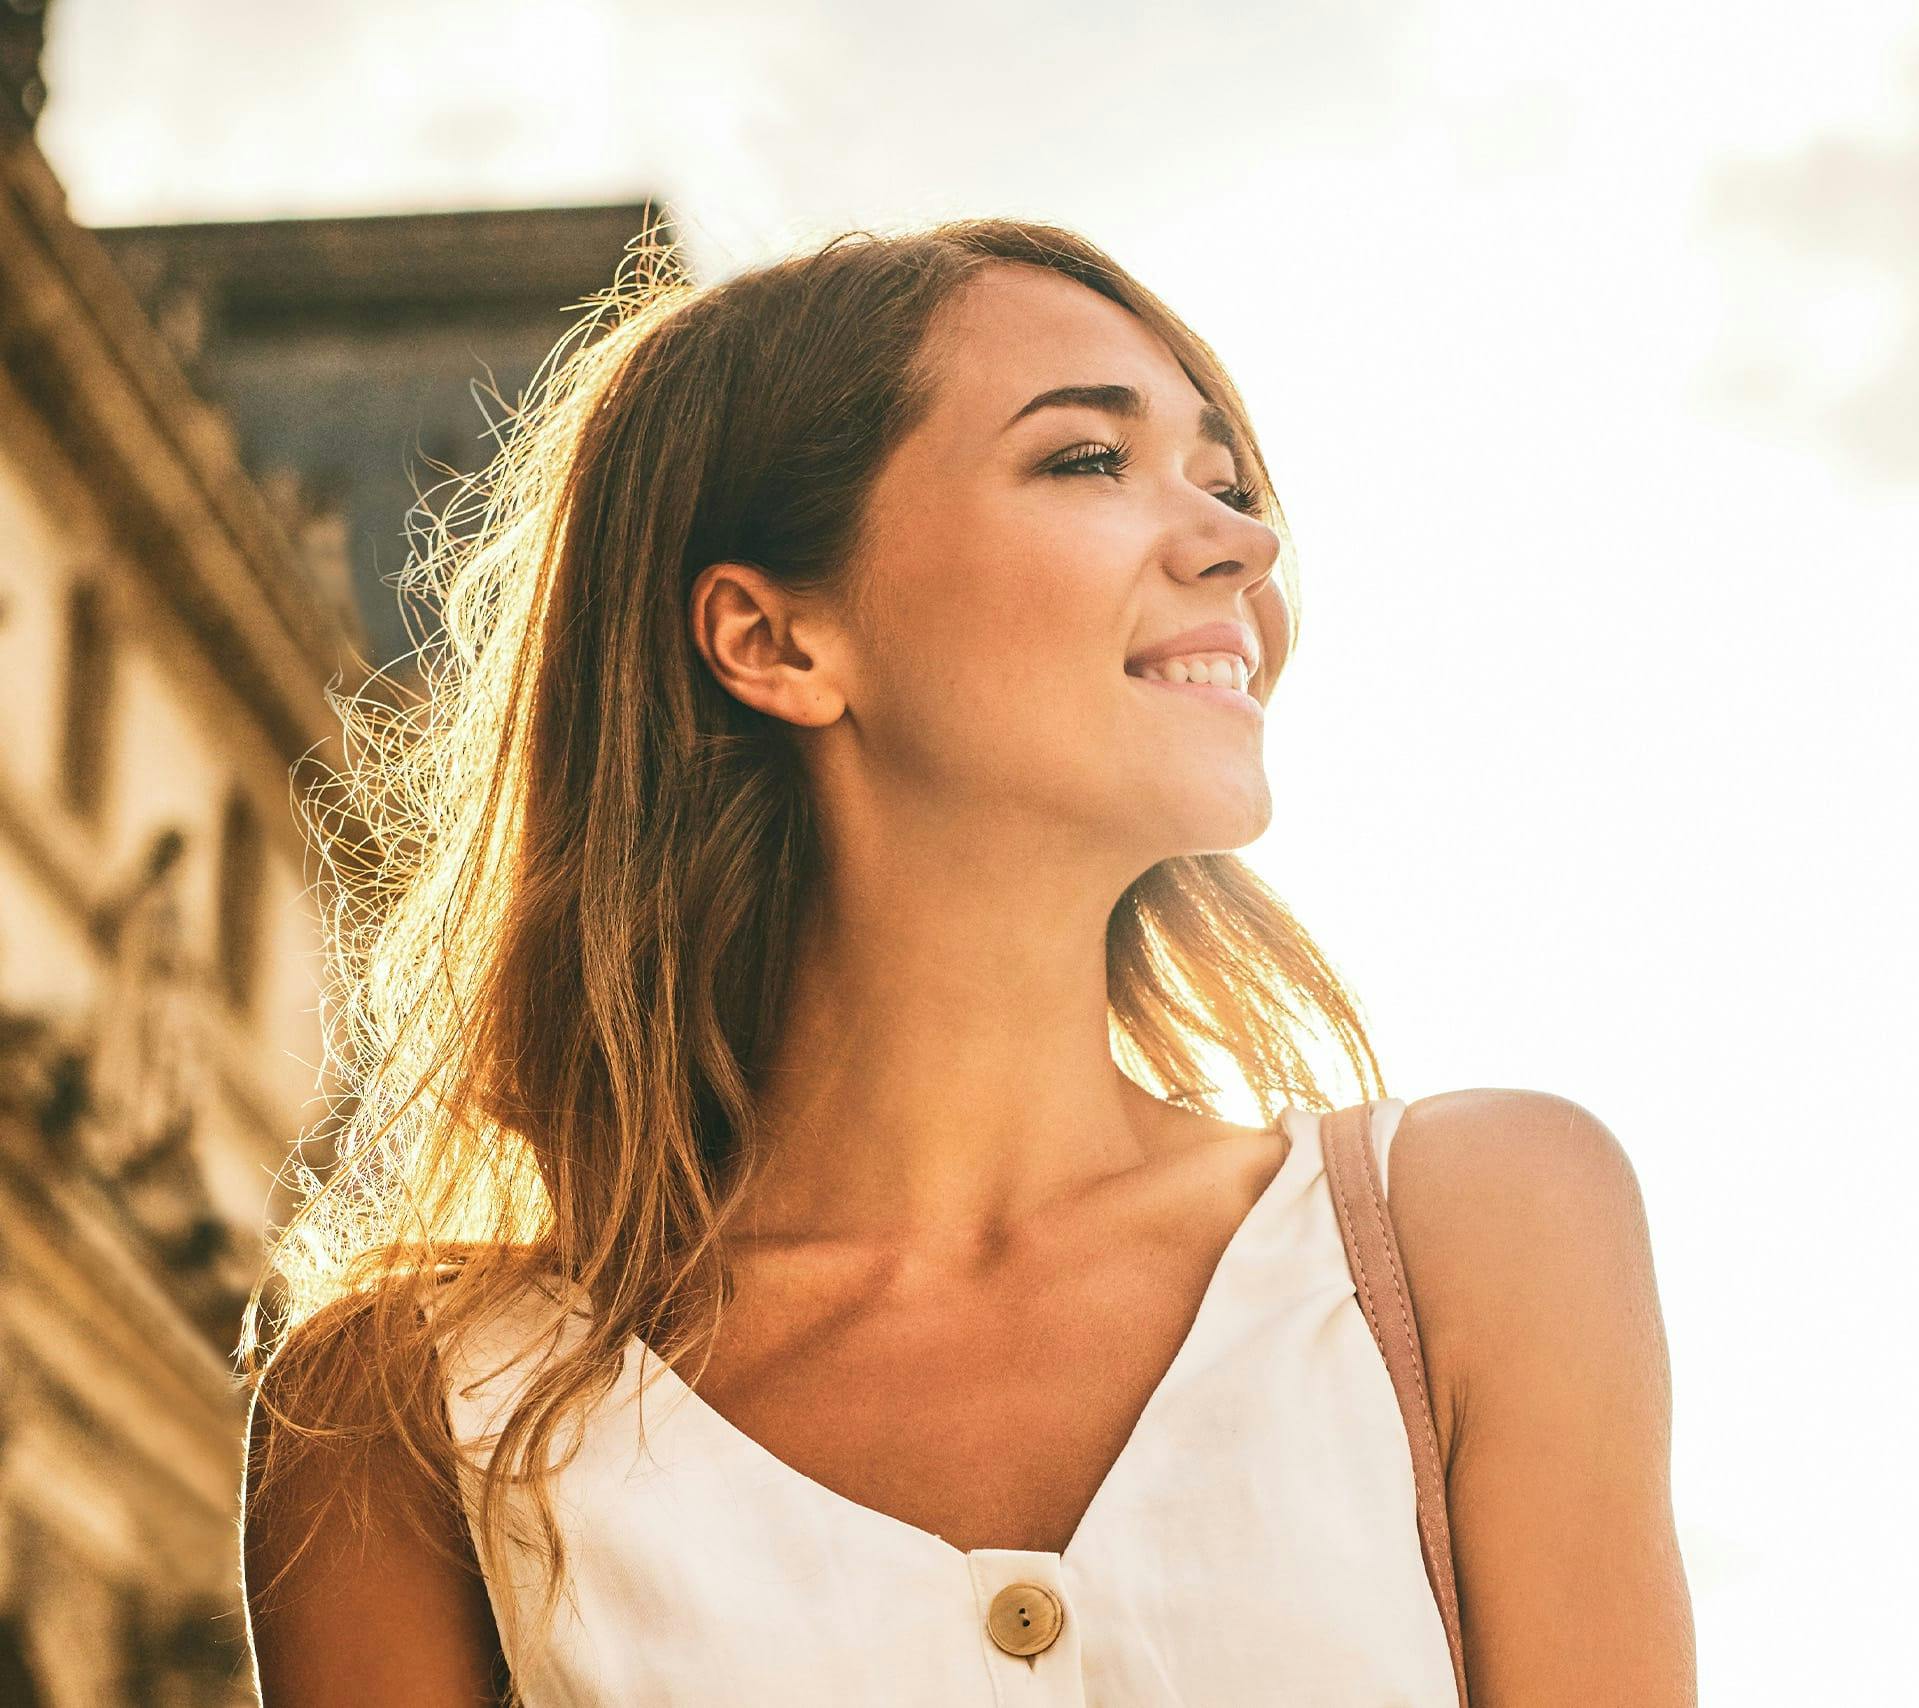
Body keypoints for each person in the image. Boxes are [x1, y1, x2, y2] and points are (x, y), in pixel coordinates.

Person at [238, 217, 1696, 1706]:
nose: (1244, 543)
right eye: (1086, 460)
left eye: (1230, 482)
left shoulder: (1477, 1230)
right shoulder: (417, 1416)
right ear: (775, 639)